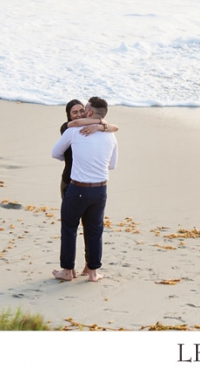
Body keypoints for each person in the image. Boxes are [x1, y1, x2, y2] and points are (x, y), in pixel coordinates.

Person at [51, 97, 118, 282]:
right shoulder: (110, 135)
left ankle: (67, 271)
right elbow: (112, 165)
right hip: (100, 190)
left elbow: (55, 153)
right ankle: (93, 272)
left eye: (85, 108)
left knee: (69, 228)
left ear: (89, 112)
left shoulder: (74, 131)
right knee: (95, 229)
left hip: (78, 188)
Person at [60, 99, 118, 199]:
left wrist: (98, 127)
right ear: (69, 115)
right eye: (74, 112)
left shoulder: (95, 128)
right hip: (69, 177)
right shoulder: (66, 128)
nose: (79, 114)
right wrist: (100, 121)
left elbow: (115, 127)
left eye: (82, 111)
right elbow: (76, 122)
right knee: (68, 211)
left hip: (89, 180)